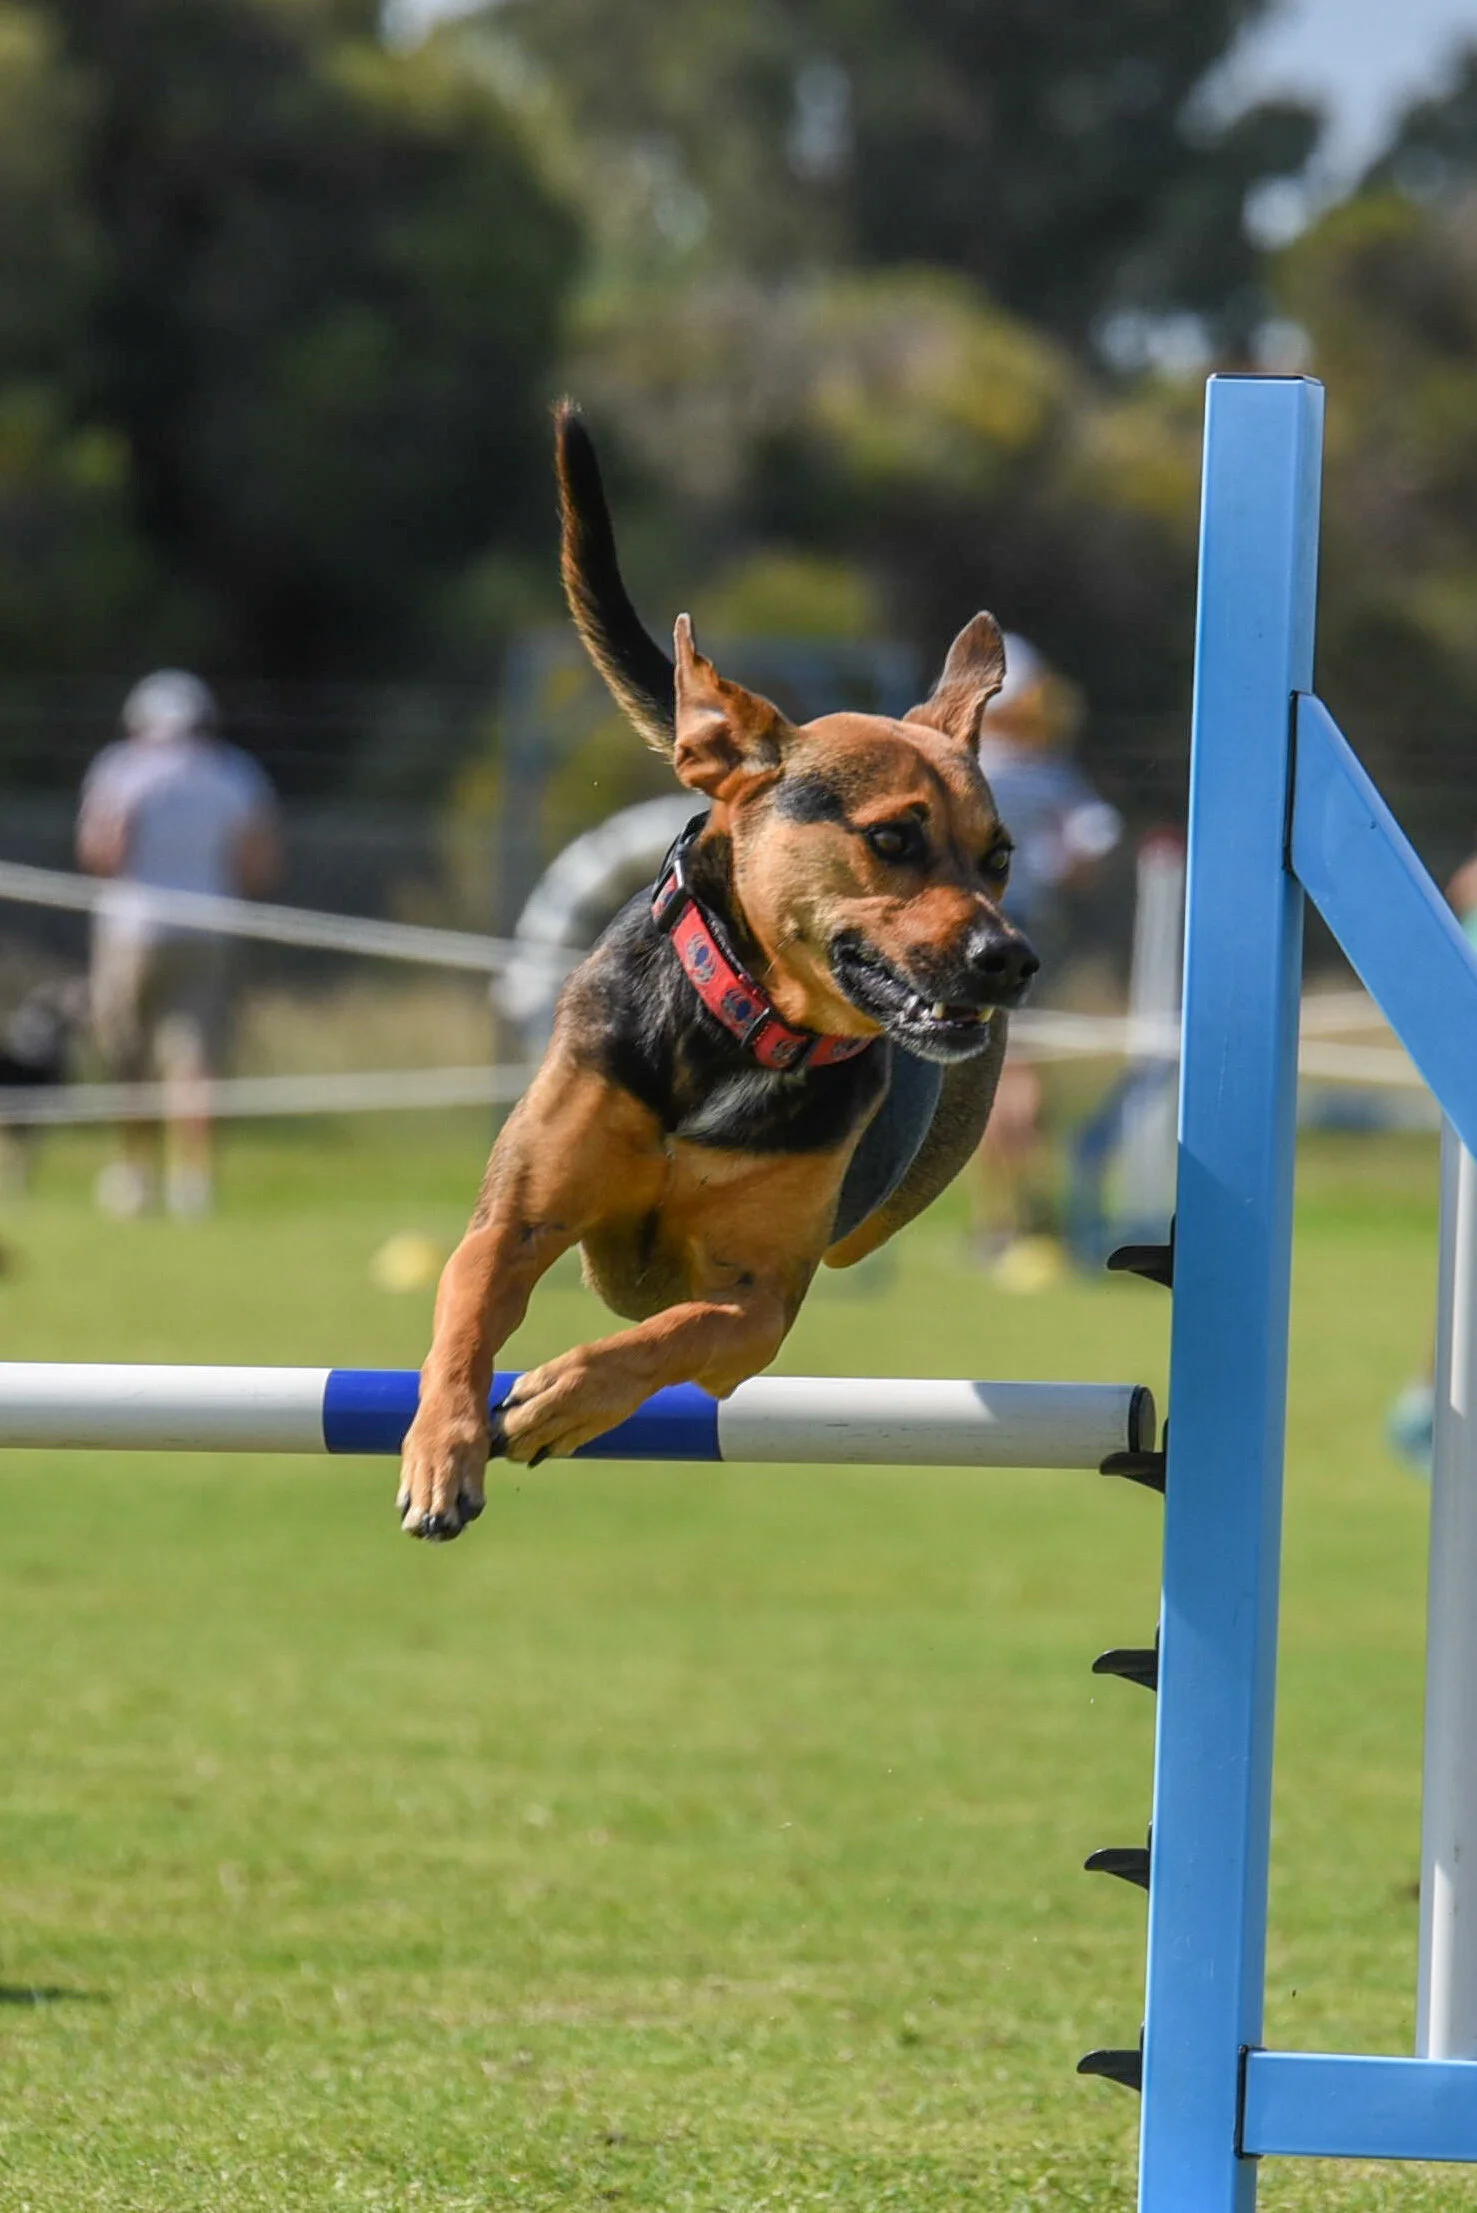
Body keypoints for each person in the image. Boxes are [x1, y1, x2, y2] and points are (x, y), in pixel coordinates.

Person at [76, 670, 280, 1217]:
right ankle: (193, 1183)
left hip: (131, 928)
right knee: (196, 1060)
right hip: (209, 925)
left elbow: (103, 852)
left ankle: (136, 1175)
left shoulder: (121, 768)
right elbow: (258, 861)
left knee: (129, 1055)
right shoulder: (232, 771)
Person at [970, 634, 1122, 1285]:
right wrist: (1060, 868)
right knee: (1018, 1077)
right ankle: (1025, 1219)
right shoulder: (1040, 768)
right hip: (1024, 928)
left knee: (993, 1078)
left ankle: (1010, 1221)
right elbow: (1094, 840)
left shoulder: (968, 763)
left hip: (969, 930)